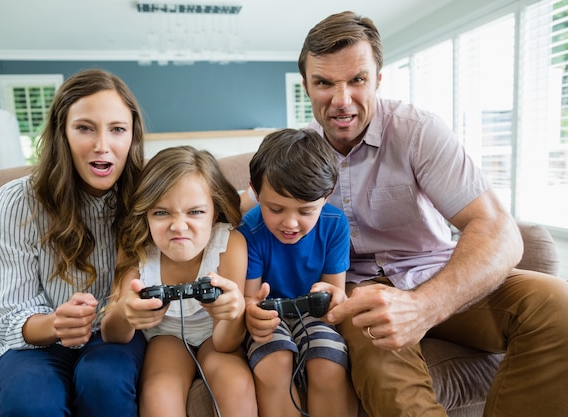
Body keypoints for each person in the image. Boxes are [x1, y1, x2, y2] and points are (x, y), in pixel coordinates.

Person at [243, 11, 568, 417]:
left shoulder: (418, 131)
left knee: (559, 305)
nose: (341, 100)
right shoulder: (297, 154)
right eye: (324, 83)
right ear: (307, 85)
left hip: (438, 274)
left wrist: (425, 306)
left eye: (357, 80)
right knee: (382, 358)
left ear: (378, 78)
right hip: (356, 294)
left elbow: (499, 230)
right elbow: (246, 207)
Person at [0, 69, 148, 416]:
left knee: (103, 383)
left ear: (132, 135)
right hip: (36, 345)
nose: (102, 145)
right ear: (62, 132)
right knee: (30, 402)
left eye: (117, 129)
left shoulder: (146, 195)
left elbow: (210, 205)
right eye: (84, 128)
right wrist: (55, 324)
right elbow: (14, 311)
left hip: (112, 337)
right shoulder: (17, 200)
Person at [100, 145, 257, 417]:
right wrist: (127, 312)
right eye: (161, 213)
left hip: (217, 337)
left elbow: (225, 343)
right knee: (159, 393)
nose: (179, 226)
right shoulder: (135, 247)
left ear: (215, 211)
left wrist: (234, 312)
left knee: (237, 385)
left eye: (195, 212)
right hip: (165, 337)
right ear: (145, 213)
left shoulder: (230, 244)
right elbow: (111, 333)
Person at [239, 128, 358, 417]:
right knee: (274, 360)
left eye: (305, 212)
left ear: (327, 196)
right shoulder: (250, 230)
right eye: (276, 209)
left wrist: (334, 296)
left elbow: (334, 293)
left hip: (313, 315)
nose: (290, 223)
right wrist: (251, 312)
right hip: (270, 317)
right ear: (255, 191)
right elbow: (248, 300)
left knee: (328, 362)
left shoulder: (335, 224)